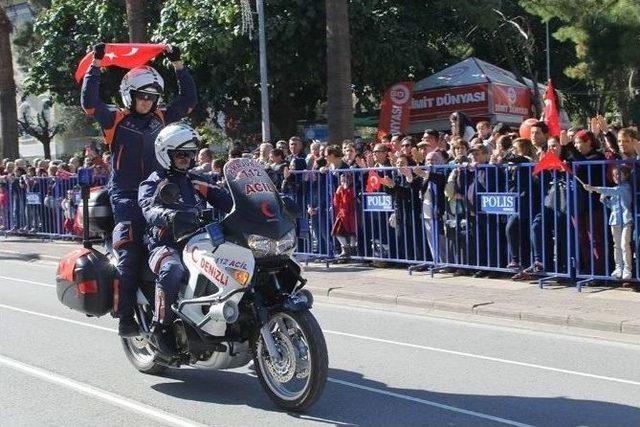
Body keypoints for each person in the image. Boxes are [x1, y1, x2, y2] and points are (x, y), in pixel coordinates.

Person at [81, 42, 197, 336]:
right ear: (129, 96)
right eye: (142, 96)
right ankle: (125, 317)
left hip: (161, 193)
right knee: (131, 253)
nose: (147, 101)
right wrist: (96, 64)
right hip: (127, 196)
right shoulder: (115, 119)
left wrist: (178, 65)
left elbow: (189, 100)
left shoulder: (160, 118)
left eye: (152, 96)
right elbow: (89, 103)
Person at [138, 123, 233, 356]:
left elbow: (226, 199)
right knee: (172, 270)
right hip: (165, 244)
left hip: (200, 242)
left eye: (190, 153)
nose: (186, 158)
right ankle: (161, 327)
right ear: (166, 153)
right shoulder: (153, 181)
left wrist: (256, 204)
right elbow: (149, 209)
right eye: (180, 154)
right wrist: (169, 215)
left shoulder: (195, 180)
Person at [584, 167, 633, 281]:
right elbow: (613, 206)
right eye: (614, 175)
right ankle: (618, 268)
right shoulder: (615, 188)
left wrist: (594, 188)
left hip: (625, 220)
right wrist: (605, 201)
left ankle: (627, 269)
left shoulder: (625, 187)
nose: (616, 177)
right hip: (615, 221)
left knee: (624, 244)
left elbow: (613, 191)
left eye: (619, 174)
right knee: (616, 246)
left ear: (625, 176)